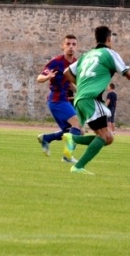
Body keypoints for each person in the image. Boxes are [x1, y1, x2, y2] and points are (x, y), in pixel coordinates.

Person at [62, 26, 130, 174]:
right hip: (91, 99)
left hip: (81, 99)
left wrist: (82, 85)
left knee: (108, 138)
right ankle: (78, 166)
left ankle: (72, 139)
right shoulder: (109, 54)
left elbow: (67, 72)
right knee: (105, 136)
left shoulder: (87, 55)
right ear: (109, 39)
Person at [36, 35, 83, 163]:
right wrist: (48, 77)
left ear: (76, 46)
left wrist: (80, 91)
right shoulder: (56, 62)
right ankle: (67, 156)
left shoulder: (76, 63)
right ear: (63, 46)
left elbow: (70, 83)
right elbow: (39, 78)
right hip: (56, 100)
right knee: (77, 126)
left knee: (74, 131)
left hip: (64, 100)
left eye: (73, 44)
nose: (71, 47)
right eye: (68, 44)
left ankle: (47, 138)